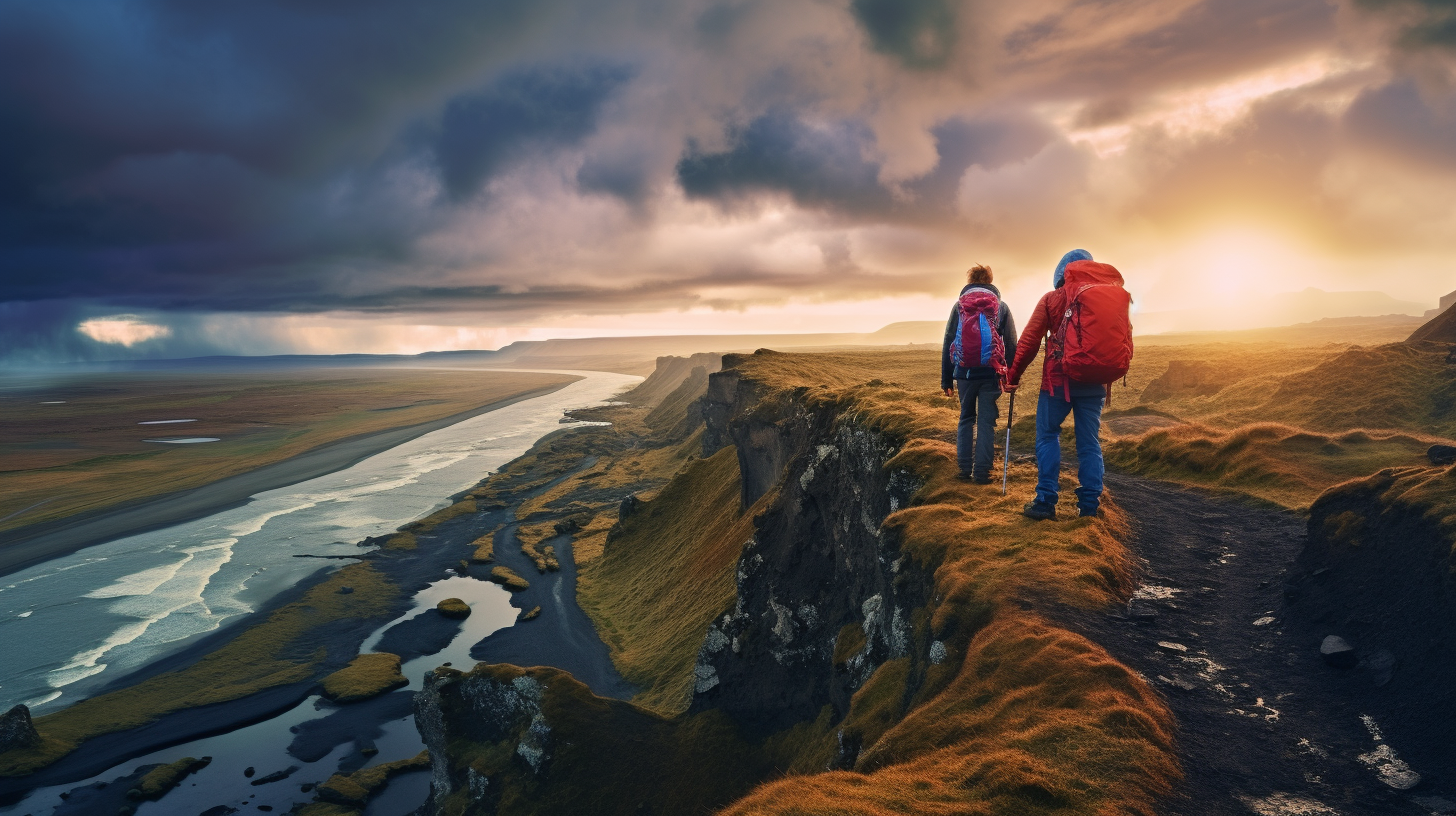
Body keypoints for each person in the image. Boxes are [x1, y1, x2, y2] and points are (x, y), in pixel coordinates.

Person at [1002, 249, 1106, 519]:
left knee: (1048, 436)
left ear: (1060, 273)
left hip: (1057, 383)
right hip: (1095, 382)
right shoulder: (1104, 298)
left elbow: (1029, 342)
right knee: (1089, 443)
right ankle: (1090, 507)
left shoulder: (1051, 299)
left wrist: (1013, 377)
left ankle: (1046, 501)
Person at [941, 264, 1018, 484]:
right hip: (990, 374)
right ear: (990, 282)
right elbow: (1011, 343)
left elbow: (948, 341)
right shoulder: (1000, 307)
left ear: (970, 281)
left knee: (966, 418)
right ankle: (983, 472)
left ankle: (964, 469)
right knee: (986, 421)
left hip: (964, 373)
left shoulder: (959, 306)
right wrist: (1011, 376)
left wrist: (946, 380)